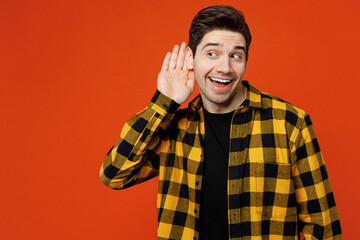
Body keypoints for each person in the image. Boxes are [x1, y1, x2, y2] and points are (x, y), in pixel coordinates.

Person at [100, 5, 342, 240]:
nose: (225, 68)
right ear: (190, 58)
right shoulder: (174, 127)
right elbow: (114, 174)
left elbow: (323, 227)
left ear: (245, 61)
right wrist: (164, 102)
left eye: (235, 55)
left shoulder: (290, 123)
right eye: (212, 53)